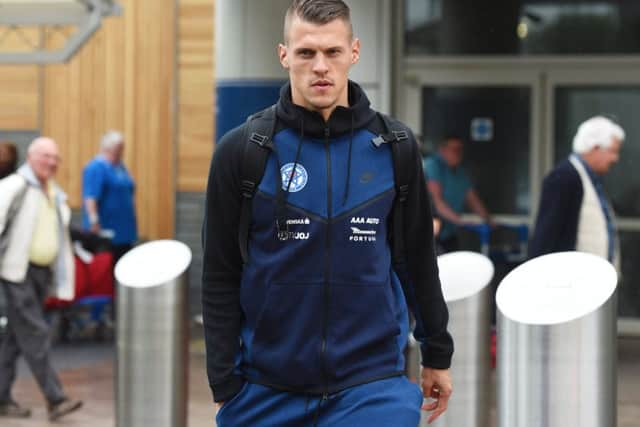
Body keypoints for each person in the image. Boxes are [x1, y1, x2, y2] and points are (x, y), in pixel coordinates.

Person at [202, 1, 453, 426]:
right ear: (284, 56)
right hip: (265, 389)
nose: (320, 66)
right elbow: (220, 272)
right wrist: (225, 382)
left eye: (332, 52)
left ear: (354, 52)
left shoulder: (395, 147)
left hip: (372, 386)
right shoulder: (242, 150)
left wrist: (437, 352)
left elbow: (416, 259)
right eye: (306, 53)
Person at [0, 137, 83, 421]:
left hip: (39, 275)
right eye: (46, 156)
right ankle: (55, 398)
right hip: (15, 273)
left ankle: (0, 398)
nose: (51, 162)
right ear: (31, 157)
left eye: (55, 158)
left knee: (13, 338)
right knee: (35, 333)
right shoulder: (14, 187)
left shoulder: (53, 193)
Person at [529, 116, 624, 267]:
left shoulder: (591, 179)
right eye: (613, 151)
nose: (615, 159)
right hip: (572, 282)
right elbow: (546, 236)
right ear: (595, 147)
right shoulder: (564, 177)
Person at [424, 136, 494, 252]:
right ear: (442, 150)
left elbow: (472, 199)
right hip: (430, 234)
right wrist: (460, 220)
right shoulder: (432, 165)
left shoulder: (460, 172)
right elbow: (436, 202)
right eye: (454, 149)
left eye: (460, 150)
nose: (458, 153)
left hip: (449, 234)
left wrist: (488, 219)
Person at [82, 130, 137, 264]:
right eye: (120, 147)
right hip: (107, 232)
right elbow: (90, 197)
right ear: (110, 148)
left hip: (124, 231)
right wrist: (94, 222)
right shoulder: (96, 167)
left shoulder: (120, 166)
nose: (122, 151)